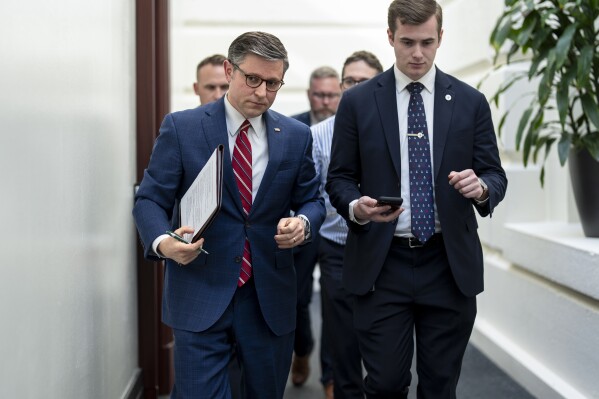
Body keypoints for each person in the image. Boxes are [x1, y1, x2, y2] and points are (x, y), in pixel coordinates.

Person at [326, 1, 508, 398]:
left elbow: (495, 174)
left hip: (448, 263)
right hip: (381, 263)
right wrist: (357, 208)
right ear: (390, 37)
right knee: (386, 383)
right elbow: (339, 178)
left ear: (441, 37)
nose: (418, 53)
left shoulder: (470, 101)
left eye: (428, 42)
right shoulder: (358, 103)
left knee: (440, 385)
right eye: (407, 42)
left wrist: (482, 188)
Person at [133, 31, 325, 399]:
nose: (262, 92)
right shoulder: (183, 127)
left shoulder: (296, 135)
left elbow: (312, 201)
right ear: (229, 69)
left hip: (268, 297)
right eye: (252, 79)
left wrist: (302, 223)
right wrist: (164, 244)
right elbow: (149, 200)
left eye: (273, 83)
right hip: (199, 292)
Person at [312, 51, 384, 399]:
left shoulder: (393, 130)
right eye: (350, 82)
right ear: (341, 86)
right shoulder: (319, 134)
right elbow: (312, 191)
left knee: (384, 337)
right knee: (342, 338)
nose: (355, 88)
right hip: (337, 247)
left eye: (364, 82)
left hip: (386, 248)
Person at [288, 65, 341, 394]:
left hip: (339, 229)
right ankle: (303, 349)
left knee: (335, 307)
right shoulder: (292, 128)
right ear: (309, 95)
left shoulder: (350, 129)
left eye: (332, 95)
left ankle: (331, 377)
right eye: (319, 94)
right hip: (303, 228)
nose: (324, 101)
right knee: (297, 298)